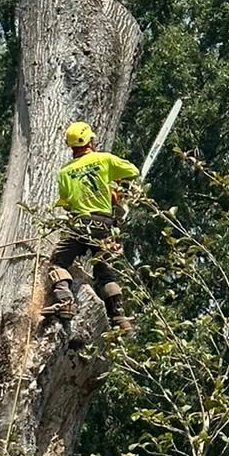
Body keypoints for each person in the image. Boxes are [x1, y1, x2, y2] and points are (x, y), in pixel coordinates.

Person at [44, 120, 138, 330]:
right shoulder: (104, 159)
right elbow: (133, 171)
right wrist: (115, 191)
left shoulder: (65, 172)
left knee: (58, 263)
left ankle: (65, 301)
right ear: (89, 140)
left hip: (79, 224)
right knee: (104, 270)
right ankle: (119, 317)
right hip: (104, 224)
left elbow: (67, 203)